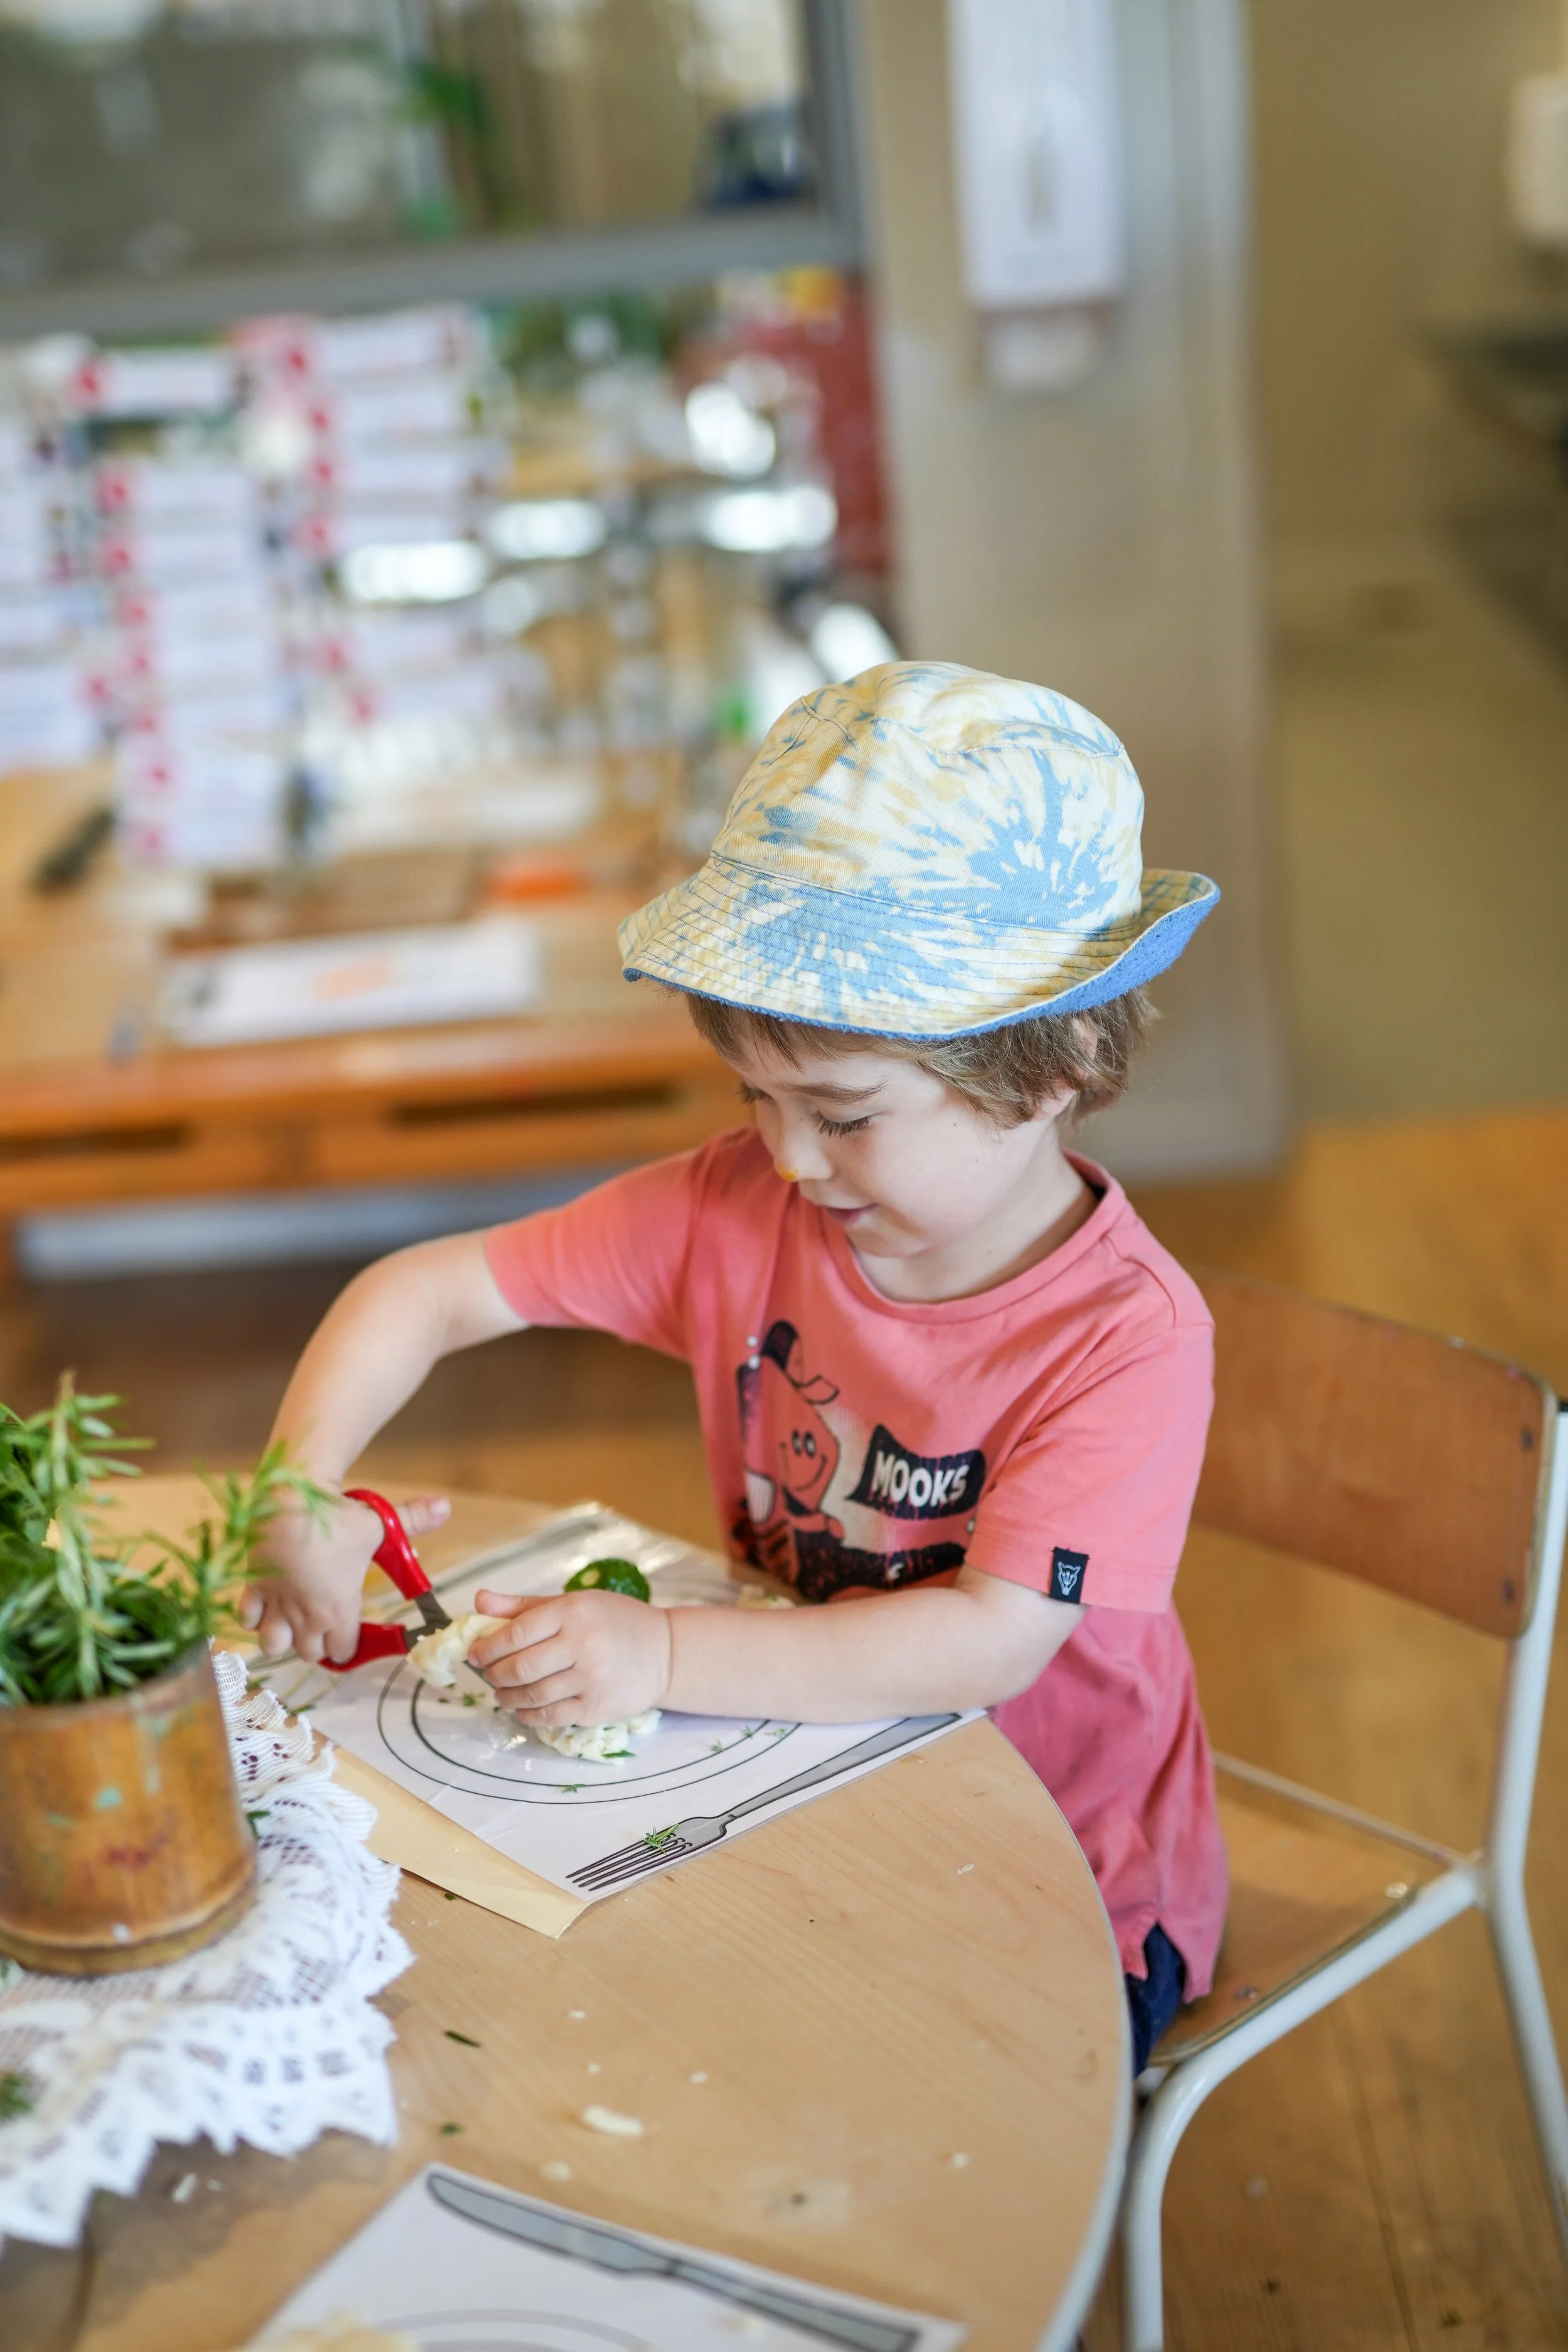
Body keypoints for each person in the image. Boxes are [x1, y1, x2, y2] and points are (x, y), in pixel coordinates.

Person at [249, 661, 1228, 2072]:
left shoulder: (1124, 1337)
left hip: (1060, 1873)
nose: (785, 1157)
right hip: (798, 1769)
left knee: (872, 2113)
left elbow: (987, 1641)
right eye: (753, 1099)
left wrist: (657, 1652)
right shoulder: (738, 1208)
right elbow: (427, 1291)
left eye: (842, 1112)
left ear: (1053, 1064)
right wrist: (295, 1485)